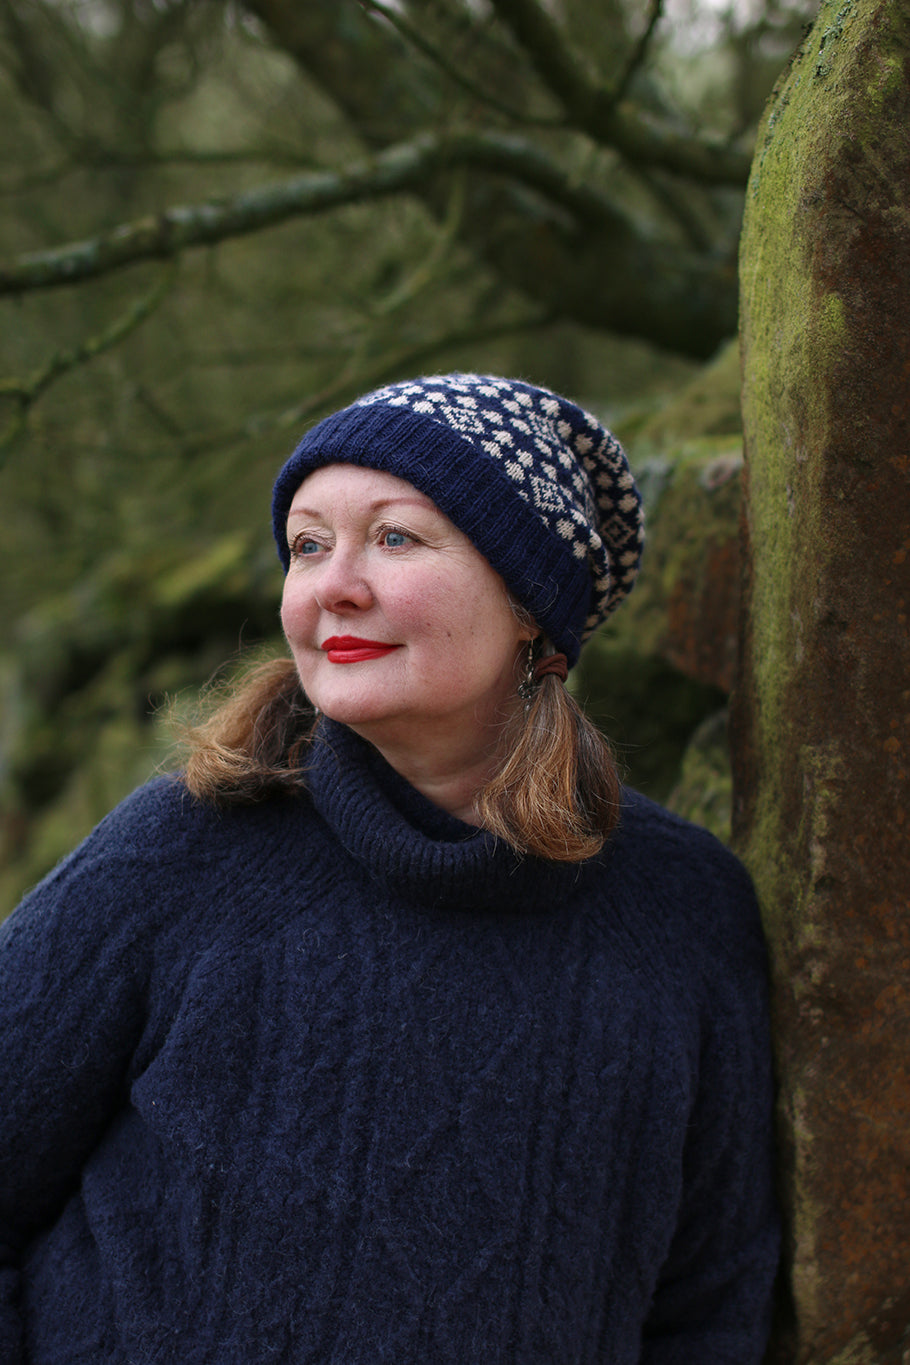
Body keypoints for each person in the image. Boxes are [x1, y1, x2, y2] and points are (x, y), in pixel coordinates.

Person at [0, 373, 779, 1363]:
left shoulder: (683, 910)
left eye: (397, 538)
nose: (333, 585)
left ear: (531, 604)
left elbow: (711, 1309)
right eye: (308, 546)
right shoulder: (182, 850)